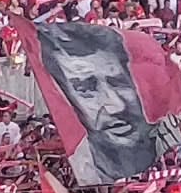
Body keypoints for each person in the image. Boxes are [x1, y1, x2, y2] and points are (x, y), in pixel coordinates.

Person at [32, 22, 168, 184]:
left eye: (118, 83)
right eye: (86, 88)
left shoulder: (165, 150)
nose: (116, 105)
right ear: (64, 97)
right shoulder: (78, 169)